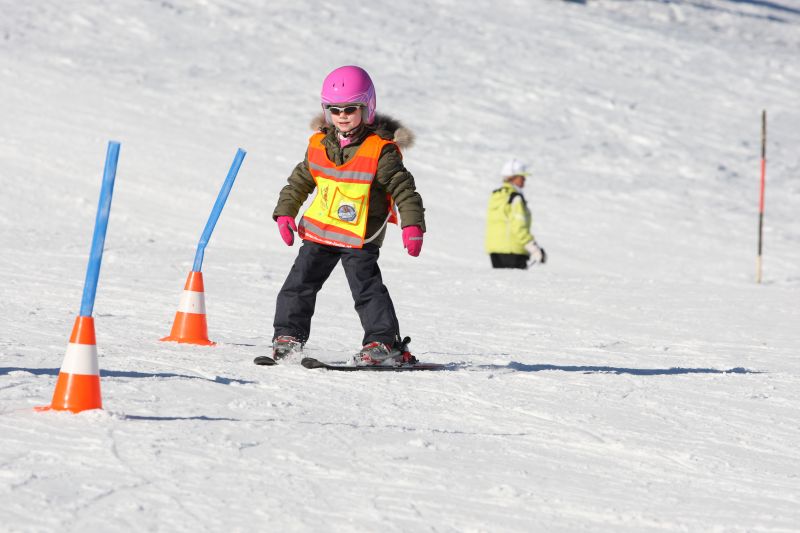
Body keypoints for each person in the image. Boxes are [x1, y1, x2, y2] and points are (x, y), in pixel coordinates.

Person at [269, 65, 426, 366]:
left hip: (359, 234)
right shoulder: (318, 144)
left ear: (367, 108)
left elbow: (404, 189)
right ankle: (288, 336)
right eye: (335, 109)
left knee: (366, 289)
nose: (342, 115)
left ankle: (383, 342)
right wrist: (285, 213)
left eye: (350, 108)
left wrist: (413, 226)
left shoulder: (380, 151)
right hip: (321, 230)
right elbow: (300, 180)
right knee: (300, 282)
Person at [484, 158, 546, 269]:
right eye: (521, 177)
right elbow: (519, 227)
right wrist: (534, 249)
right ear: (512, 177)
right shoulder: (515, 198)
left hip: (495, 253)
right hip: (514, 252)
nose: (524, 180)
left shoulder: (496, 196)